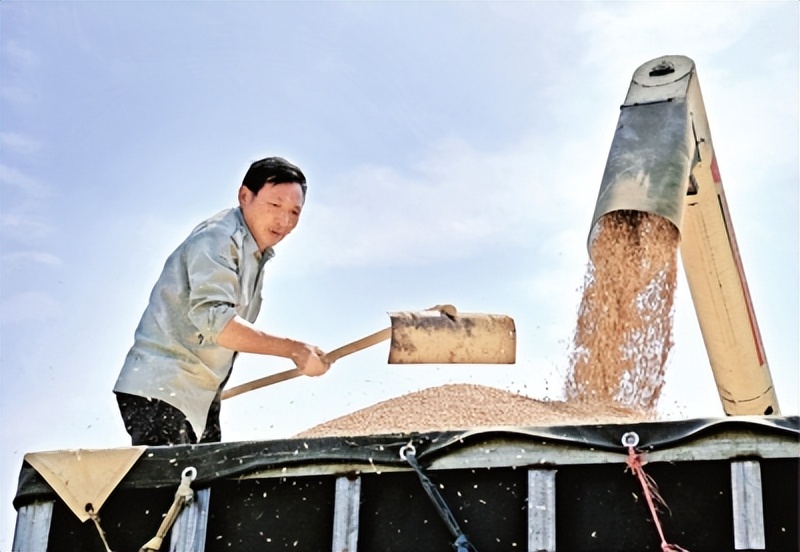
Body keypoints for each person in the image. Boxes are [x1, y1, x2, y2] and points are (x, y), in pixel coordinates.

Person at [113, 156, 329, 446]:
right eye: (274, 206)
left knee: (205, 486)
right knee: (173, 487)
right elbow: (218, 323)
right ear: (244, 196)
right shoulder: (218, 238)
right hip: (163, 388)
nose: (284, 220)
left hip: (198, 396)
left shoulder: (255, 252)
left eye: (294, 211)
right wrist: (295, 351)